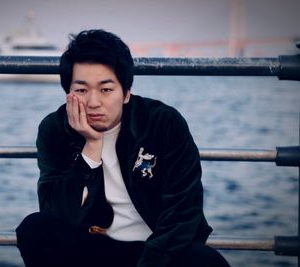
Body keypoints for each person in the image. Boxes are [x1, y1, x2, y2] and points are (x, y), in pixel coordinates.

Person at [16, 29, 230, 267]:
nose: (93, 102)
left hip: (157, 249)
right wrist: (91, 147)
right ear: (69, 94)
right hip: (92, 247)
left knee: (205, 262)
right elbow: (56, 213)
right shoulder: (55, 129)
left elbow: (183, 211)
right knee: (35, 228)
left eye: (106, 89)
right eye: (81, 90)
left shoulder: (162, 123)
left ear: (126, 93)